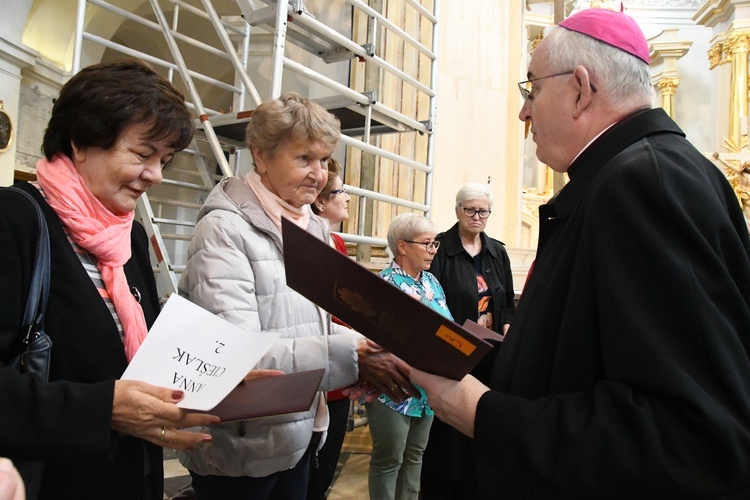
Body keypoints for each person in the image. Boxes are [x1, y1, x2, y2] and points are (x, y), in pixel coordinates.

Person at [408, 8, 750, 497]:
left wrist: (479, 412)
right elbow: (591, 357)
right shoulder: (633, 175)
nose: (524, 112)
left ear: (581, 89)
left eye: (533, 90)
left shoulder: (643, 183)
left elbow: (690, 439)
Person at [178, 92, 416, 499]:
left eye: (323, 161)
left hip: (301, 431)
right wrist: (354, 354)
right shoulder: (225, 229)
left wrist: (374, 343)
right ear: (261, 155)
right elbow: (239, 354)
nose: (319, 175)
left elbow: (312, 324)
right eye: (304, 159)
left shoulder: (311, 227)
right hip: (243, 447)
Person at [0, 59, 219, 499]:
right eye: (142, 154)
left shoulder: (129, 235)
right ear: (82, 141)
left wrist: (215, 370)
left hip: (128, 475)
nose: (156, 175)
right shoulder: (13, 220)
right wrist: (103, 409)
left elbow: (138, 353)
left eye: (165, 160)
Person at [420, 182, 515, 499]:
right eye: (470, 210)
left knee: (481, 419)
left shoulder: (497, 251)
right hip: (454, 350)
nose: (477, 216)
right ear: (458, 210)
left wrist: (506, 326)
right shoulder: (441, 249)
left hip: (489, 352)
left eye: (483, 211)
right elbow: (428, 296)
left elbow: (507, 303)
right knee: (448, 431)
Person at [367, 213, 451, 500]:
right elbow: (373, 340)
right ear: (402, 246)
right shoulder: (383, 284)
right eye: (427, 244)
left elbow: (445, 326)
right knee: (389, 460)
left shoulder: (432, 282)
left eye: (435, 244)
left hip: (427, 387)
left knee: (415, 456)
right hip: (392, 386)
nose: (433, 250)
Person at [307, 159, 352, 500]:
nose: (348, 197)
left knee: (325, 468)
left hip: (340, 365)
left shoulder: (336, 242)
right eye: (341, 191)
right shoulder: (308, 240)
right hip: (317, 363)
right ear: (321, 201)